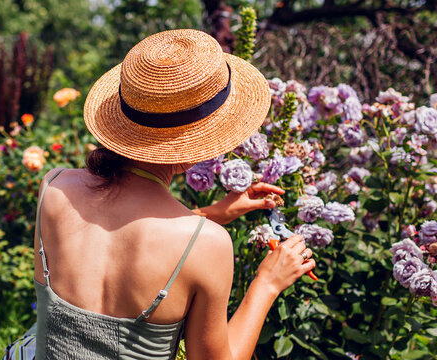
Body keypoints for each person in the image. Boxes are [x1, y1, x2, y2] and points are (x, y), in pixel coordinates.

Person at [19, 29, 316, 360]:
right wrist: (268, 282)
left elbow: (116, 237)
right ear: (196, 144)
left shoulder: (55, 185)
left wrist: (215, 213)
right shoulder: (207, 245)